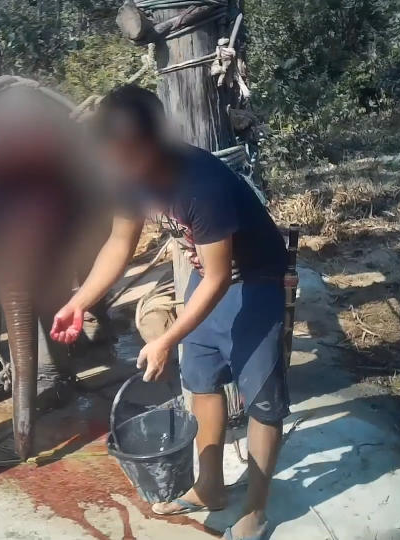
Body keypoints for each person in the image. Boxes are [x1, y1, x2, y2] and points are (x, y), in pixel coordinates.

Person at [50, 85, 291, 540]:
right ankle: (210, 487)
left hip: (253, 278)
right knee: (201, 381)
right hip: (207, 276)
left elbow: (221, 276)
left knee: (261, 399)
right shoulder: (129, 173)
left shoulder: (202, 184)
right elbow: (120, 243)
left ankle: (257, 506)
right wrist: (78, 301)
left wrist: (166, 337)